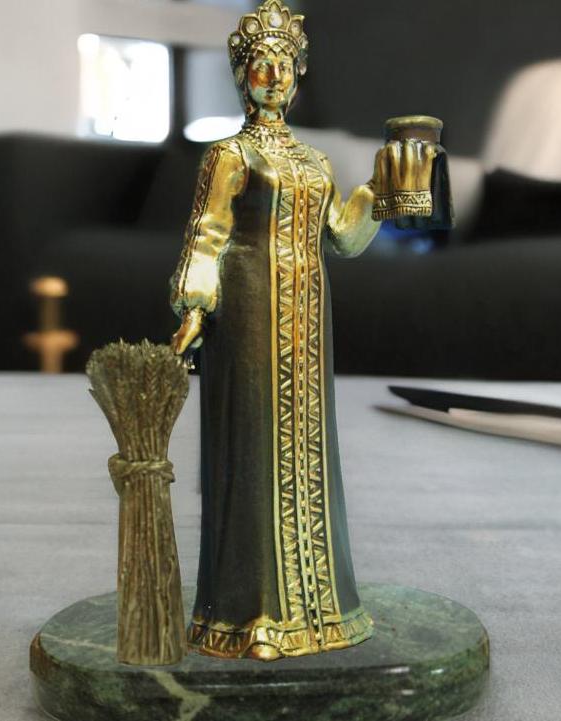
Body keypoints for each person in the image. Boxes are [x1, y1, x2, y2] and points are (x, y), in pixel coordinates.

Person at [170, 0, 430, 661]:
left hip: (308, 318)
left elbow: (342, 237)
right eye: (261, 65)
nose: (273, 77)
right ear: (242, 75)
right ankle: (250, 614)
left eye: (283, 66)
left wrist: (380, 191)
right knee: (254, 443)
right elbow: (207, 234)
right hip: (247, 310)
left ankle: (321, 609)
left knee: (307, 449)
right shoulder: (229, 155)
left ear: (297, 75)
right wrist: (195, 306)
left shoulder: (314, 161)